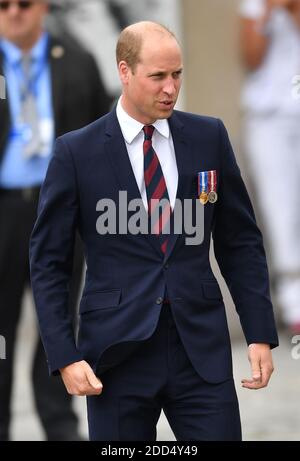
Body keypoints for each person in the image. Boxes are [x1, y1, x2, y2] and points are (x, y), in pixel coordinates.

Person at [30, 21, 278, 441]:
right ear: (124, 72)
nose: (170, 88)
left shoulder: (208, 138)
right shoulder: (76, 152)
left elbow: (240, 242)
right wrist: (65, 356)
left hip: (199, 351)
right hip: (115, 355)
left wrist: (259, 333)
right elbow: (49, 262)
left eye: (177, 74)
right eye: (158, 76)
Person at [0, 0, 110, 441]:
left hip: (58, 212)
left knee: (58, 319)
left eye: (23, 4)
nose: (13, 14)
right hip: (4, 209)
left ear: (43, 6)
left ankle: (59, 422)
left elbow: (102, 142)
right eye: (3, 5)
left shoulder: (77, 59)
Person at [239, 0, 300, 334]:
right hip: (270, 117)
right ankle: (294, 303)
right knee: (280, 211)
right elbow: (250, 57)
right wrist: (269, 12)